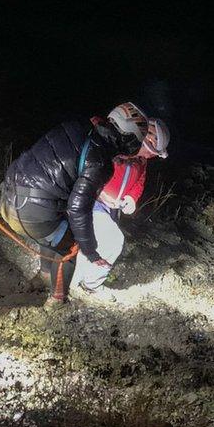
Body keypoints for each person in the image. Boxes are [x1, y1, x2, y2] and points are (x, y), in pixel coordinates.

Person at [0, 102, 149, 308]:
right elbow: (78, 209)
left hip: (9, 195)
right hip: (29, 213)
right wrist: (90, 251)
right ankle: (57, 301)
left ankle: (42, 278)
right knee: (69, 248)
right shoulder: (101, 162)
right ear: (128, 138)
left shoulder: (77, 126)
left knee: (57, 231)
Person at [70, 118, 170, 303]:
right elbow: (90, 166)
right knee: (112, 241)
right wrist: (99, 193)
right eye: (152, 152)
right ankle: (89, 284)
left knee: (94, 242)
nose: (151, 157)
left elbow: (139, 181)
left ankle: (76, 281)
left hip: (112, 209)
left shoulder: (141, 160)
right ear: (144, 141)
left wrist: (131, 198)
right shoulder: (116, 147)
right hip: (92, 202)